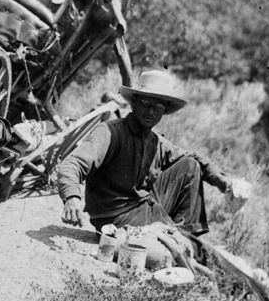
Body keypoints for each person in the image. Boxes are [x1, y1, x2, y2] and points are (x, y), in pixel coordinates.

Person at [56, 69, 251, 246]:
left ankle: (184, 239)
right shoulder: (110, 132)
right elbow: (73, 164)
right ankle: (179, 244)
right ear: (134, 102)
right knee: (179, 248)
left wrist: (223, 183)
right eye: (146, 103)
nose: (150, 111)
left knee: (190, 166)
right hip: (113, 218)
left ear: (164, 110)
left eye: (157, 107)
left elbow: (193, 158)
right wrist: (72, 197)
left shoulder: (155, 141)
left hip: (141, 208)